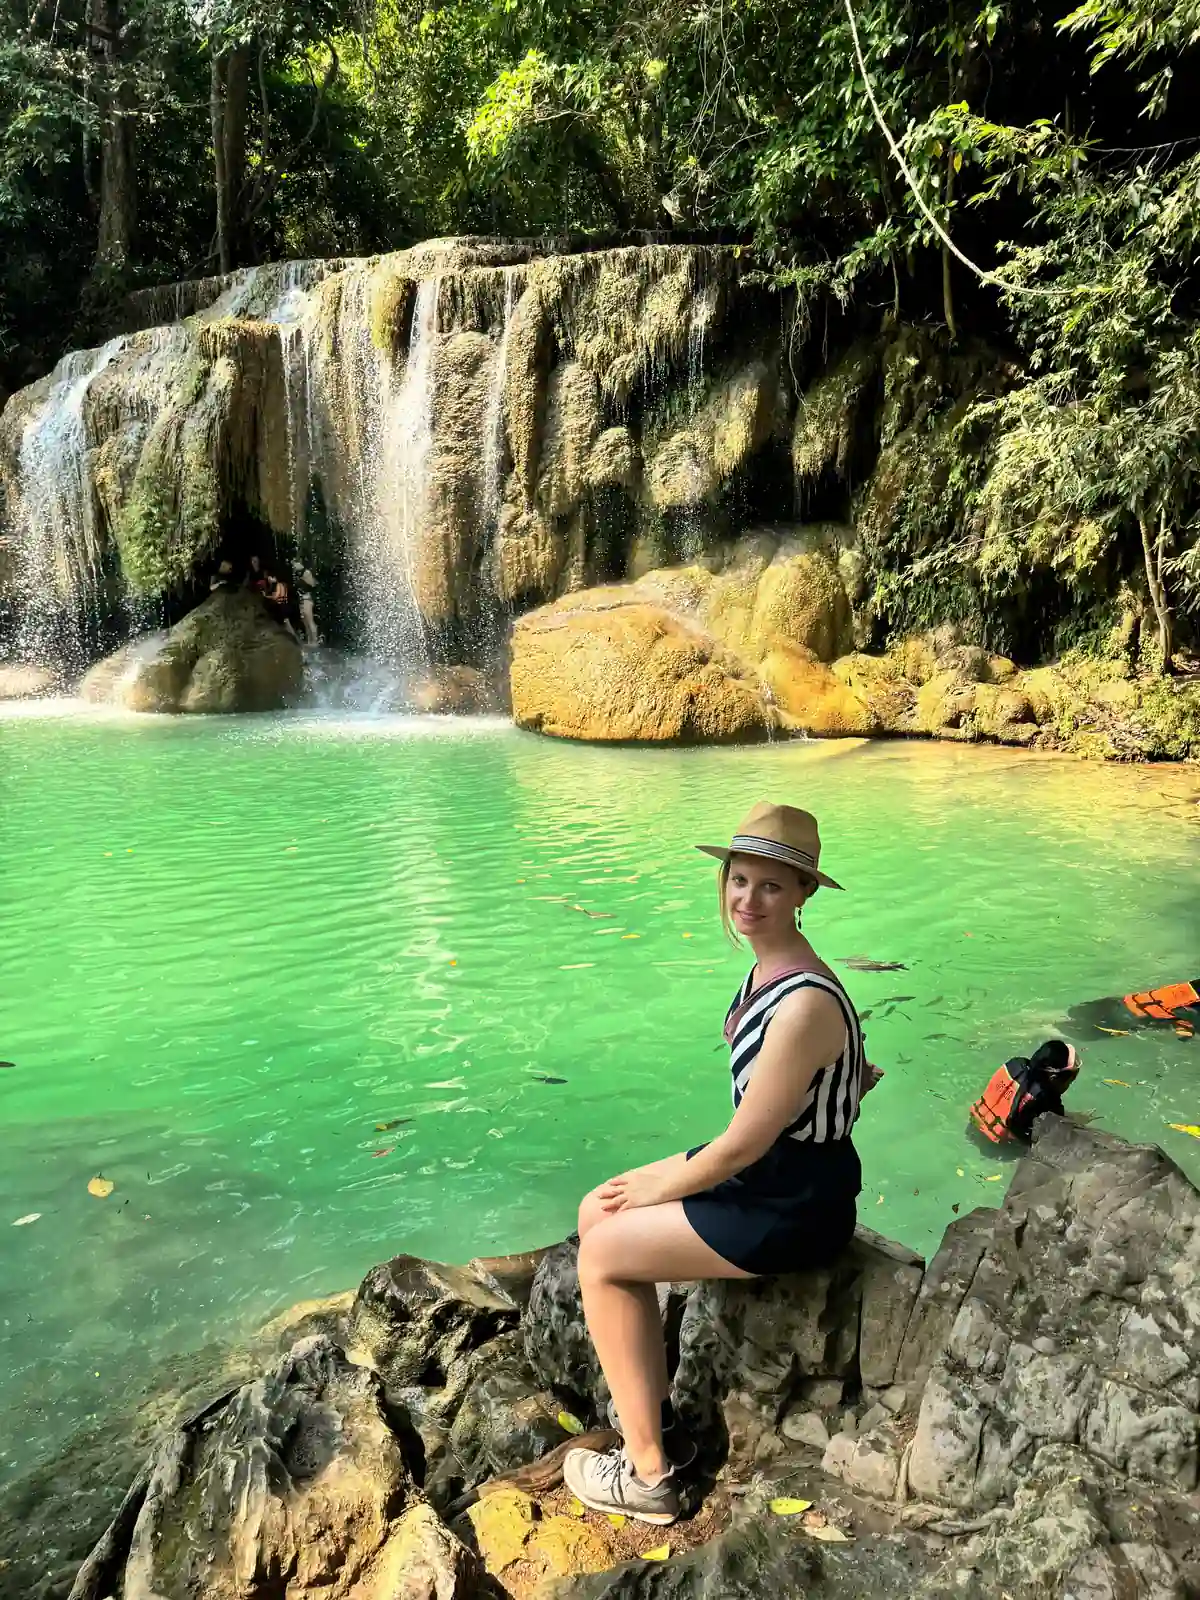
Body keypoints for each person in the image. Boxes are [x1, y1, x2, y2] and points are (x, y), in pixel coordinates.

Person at [562, 802, 879, 1526]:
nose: (747, 899)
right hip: (773, 1173)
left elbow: (743, 1144)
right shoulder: (771, 970)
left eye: (771, 886)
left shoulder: (802, 999)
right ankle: (654, 1416)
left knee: (605, 1250)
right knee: (596, 1209)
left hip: (792, 1202)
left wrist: (659, 1182)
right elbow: (810, 1085)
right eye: (739, 881)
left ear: (804, 894)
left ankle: (649, 1479)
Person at [291, 558, 320, 645]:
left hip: (307, 599)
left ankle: (315, 641)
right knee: (305, 621)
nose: (294, 567)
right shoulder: (298, 574)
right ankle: (309, 640)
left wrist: (305, 578)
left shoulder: (306, 573)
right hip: (301, 599)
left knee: (310, 620)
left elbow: (313, 584)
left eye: (295, 564)